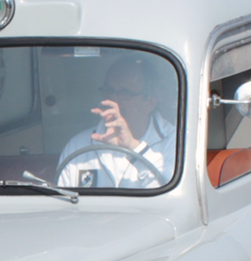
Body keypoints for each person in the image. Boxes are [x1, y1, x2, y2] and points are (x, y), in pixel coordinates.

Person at [57, 56, 177, 189]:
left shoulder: (175, 142)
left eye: (125, 93)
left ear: (150, 101)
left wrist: (134, 147)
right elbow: (63, 205)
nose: (113, 99)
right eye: (109, 91)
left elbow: (171, 197)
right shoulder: (78, 146)